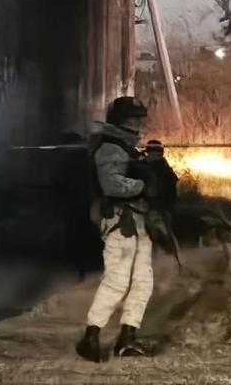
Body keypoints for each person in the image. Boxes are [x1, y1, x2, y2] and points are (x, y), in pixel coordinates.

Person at [76, 96, 156, 362]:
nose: (137, 123)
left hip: (138, 220)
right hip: (120, 222)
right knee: (117, 281)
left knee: (143, 281)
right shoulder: (110, 147)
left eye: (138, 118)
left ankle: (127, 338)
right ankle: (91, 337)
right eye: (132, 118)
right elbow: (111, 185)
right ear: (120, 120)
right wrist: (144, 186)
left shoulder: (125, 147)